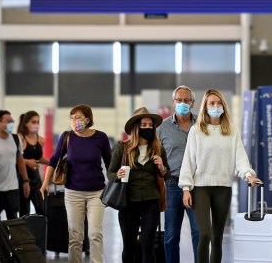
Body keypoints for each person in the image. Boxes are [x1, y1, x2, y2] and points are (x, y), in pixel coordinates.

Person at [179, 89, 259, 263]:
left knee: (217, 237)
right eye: (211, 103)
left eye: (218, 103)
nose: (216, 106)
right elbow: (188, 161)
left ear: (224, 105)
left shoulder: (231, 130)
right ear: (205, 107)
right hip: (200, 189)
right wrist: (186, 188)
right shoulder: (196, 130)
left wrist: (248, 175)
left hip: (223, 188)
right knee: (205, 234)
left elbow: (240, 158)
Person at [40, 104, 112, 263]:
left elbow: (110, 164)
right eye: (72, 118)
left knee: (95, 234)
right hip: (73, 193)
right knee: (75, 236)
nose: (74, 121)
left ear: (87, 119)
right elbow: (53, 160)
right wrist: (46, 182)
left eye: (78, 117)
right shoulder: (67, 137)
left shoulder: (100, 138)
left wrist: (116, 185)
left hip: (97, 192)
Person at [108, 107, 170, 263]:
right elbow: (110, 173)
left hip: (151, 200)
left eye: (150, 125)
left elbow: (165, 174)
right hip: (128, 202)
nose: (148, 128)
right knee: (129, 247)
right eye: (144, 125)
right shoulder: (122, 148)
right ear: (136, 127)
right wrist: (117, 175)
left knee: (147, 245)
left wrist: (162, 167)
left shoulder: (158, 149)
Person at [156, 85, 199, 263]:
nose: (182, 103)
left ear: (193, 103)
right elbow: (157, 156)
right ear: (173, 103)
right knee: (171, 235)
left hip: (197, 186)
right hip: (173, 184)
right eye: (179, 100)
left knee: (199, 233)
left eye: (186, 100)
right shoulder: (163, 128)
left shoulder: (201, 124)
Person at [17, 111, 49, 216]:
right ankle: (24, 232)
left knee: (41, 209)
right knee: (24, 211)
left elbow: (39, 157)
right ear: (26, 123)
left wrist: (52, 163)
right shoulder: (20, 138)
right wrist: (27, 162)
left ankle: (40, 231)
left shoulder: (40, 140)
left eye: (38, 122)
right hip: (22, 179)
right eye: (33, 122)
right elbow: (14, 157)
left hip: (36, 179)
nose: (36, 124)